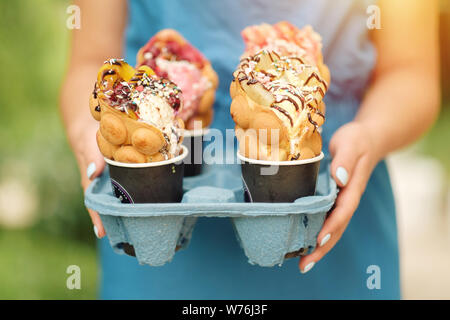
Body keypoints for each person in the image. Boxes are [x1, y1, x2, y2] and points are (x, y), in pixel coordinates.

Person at [60, 0, 440, 299]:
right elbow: (90, 59)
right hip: (151, 234)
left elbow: (411, 72)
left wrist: (369, 135)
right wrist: (91, 132)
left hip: (332, 202)